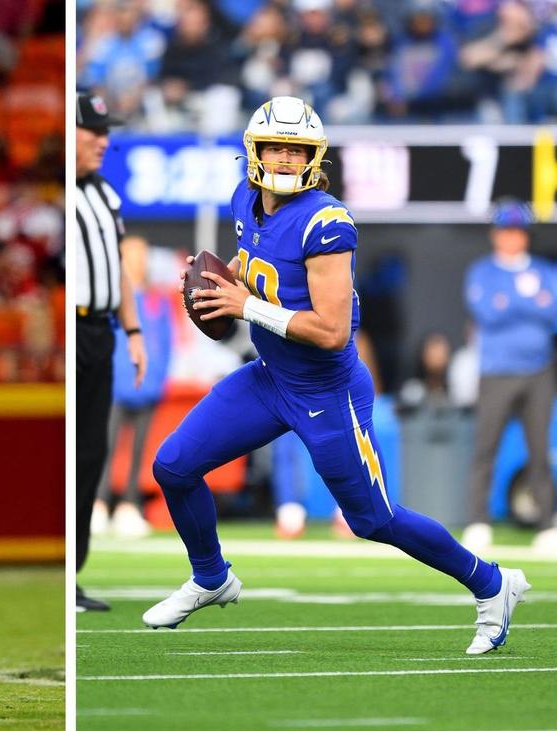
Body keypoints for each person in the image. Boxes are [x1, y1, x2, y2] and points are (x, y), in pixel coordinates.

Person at [142, 96, 530, 656]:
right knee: (174, 466)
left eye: (295, 148)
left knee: (374, 519)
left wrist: (242, 306)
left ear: (313, 156)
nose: (282, 157)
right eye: (274, 145)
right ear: (253, 151)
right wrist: (220, 280)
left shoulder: (327, 222)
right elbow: (254, 261)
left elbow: (330, 332)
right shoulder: (246, 199)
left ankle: (493, 585)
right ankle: (211, 577)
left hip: (327, 391)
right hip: (270, 377)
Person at [75, 91, 147, 612]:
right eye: (92, 131)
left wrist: (135, 331)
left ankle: (72, 573)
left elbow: (118, 265)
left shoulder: (104, 193)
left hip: (101, 332)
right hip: (73, 327)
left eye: (106, 132)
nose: (103, 141)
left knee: (91, 453)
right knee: (70, 455)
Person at [462, 201, 557, 553]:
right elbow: (487, 312)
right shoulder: (481, 272)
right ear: (495, 234)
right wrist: (531, 302)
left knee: (539, 449)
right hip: (496, 371)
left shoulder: (546, 271)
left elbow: (554, 312)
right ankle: (477, 521)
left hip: (539, 370)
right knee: (485, 448)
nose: (511, 238)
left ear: (525, 235)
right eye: (505, 231)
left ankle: (547, 523)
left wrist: (512, 301)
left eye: (517, 231)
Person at [93, 236, 172, 539]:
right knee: (104, 447)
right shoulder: (109, 299)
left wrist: (158, 378)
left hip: (148, 388)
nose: (138, 261)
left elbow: (165, 343)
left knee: (141, 452)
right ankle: (98, 504)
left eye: (142, 255)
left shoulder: (156, 299)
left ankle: (129, 504)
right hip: (114, 386)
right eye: (131, 255)